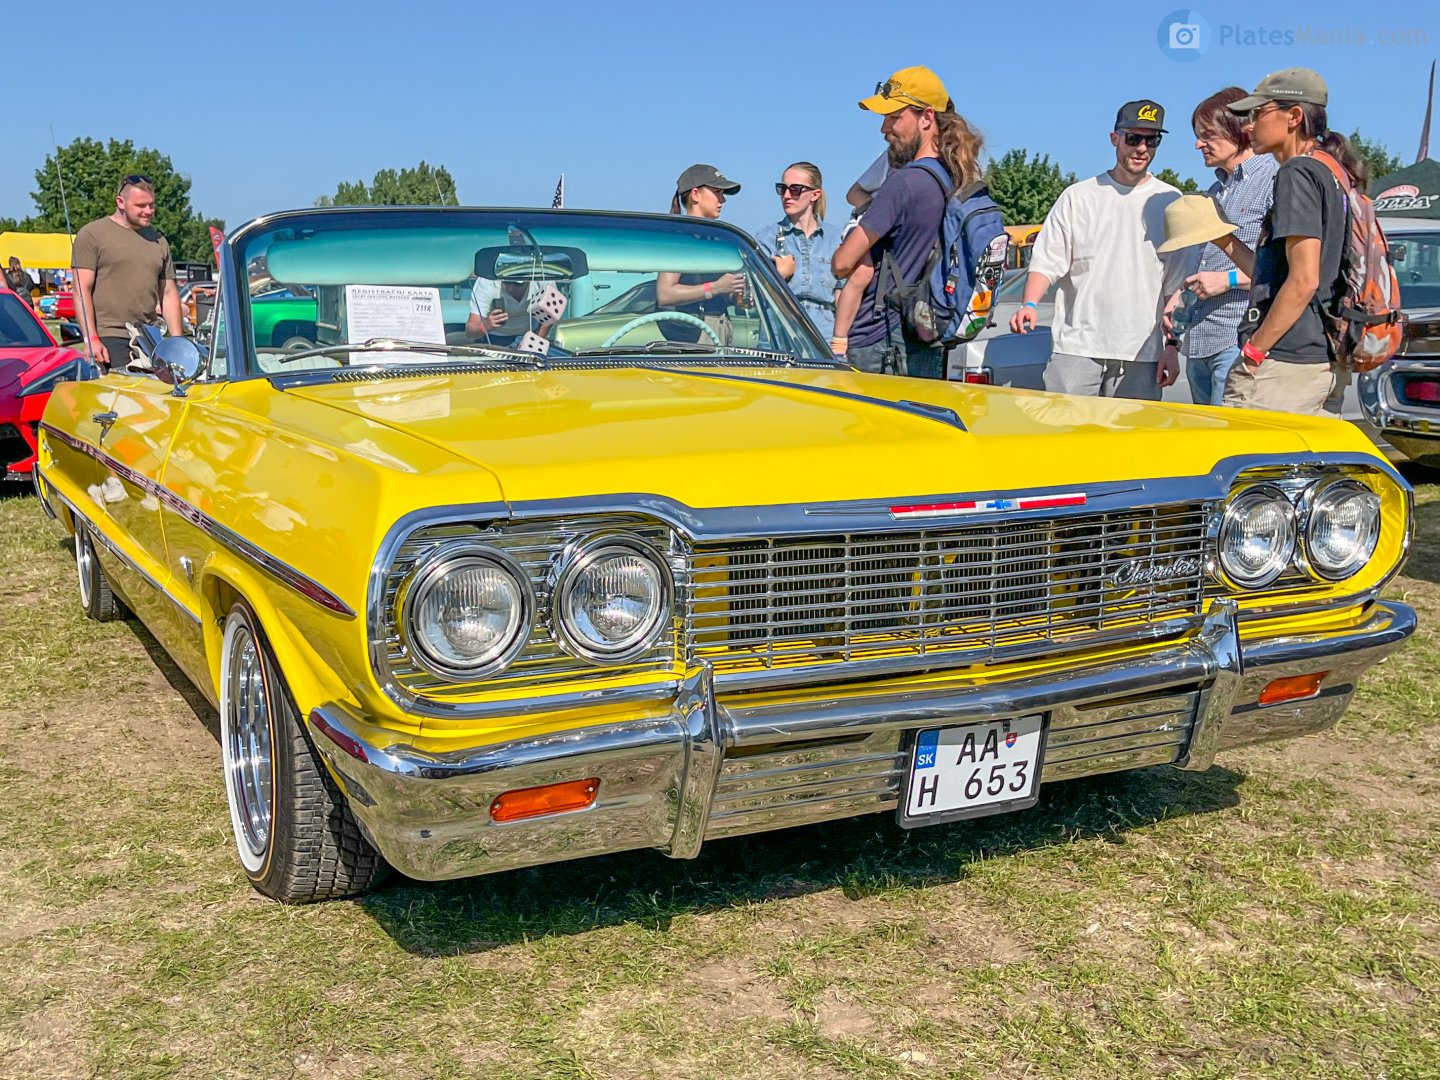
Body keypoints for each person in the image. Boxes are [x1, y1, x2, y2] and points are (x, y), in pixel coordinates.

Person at [1011, 100, 1186, 400]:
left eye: (1152, 139)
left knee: (1131, 445)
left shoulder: (1171, 201)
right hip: (1077, 349)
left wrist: (1172, 348)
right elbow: (1048, 261)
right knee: (1066, 440)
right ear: (1114, 138)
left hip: (1142, 353)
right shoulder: (1078, 197)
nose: (1142, 148)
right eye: (1133, 138)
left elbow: (1177, 283)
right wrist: (1029, 304)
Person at [1210, 69, 1354, 416]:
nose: (1249, 125)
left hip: (1287, 363)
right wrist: (1224, 240)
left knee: (1256, 467)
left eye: (1258, 113)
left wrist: (1254, 352)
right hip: (1325, 355)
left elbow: (1305, 279)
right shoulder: (1334, 171)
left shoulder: (1296, 173)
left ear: (1294, 117)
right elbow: (1279, 274)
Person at [832, 66, 982, 379]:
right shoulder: (952, 178)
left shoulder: (903, 183)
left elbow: (843, 264)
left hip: (880, 340)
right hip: (925, 335)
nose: (884, 129)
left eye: (894, 117)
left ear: (926, 118)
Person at [1167, 88, 1278, 405]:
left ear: (1239, 130)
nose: (1198, 144)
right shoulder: (1216, 190)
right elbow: (1208, 261)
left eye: (1207, 135)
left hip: (1239, 339)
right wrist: (1180, 298)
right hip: (1200, 340)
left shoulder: (1275, 179)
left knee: (1230, 446)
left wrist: (1227, 280)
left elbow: (1286, 270)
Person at [71, 174, 183, 371]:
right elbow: (81, 291)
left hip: (150, 338)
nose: (149, 211)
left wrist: (178, 344)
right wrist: (91, 338)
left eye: (151, 205)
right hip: (110, 338)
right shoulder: (92, 235)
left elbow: (169, 293)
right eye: (141, 206)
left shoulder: (159, 242)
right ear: (120, 202)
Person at [658, 164, 745, 345]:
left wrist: (735, 296)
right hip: (694, 332)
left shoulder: (713, 239)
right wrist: (717, 287)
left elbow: (717, 289)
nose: (723, 201)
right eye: (717, 192)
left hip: (718, 328)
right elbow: (665, 294)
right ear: (696, 194)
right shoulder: (679, 238)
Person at [755, 162, 841, 342]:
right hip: (779, 338)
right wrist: (780, 275)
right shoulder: (766, 238)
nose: (786, 195)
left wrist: (841, 341)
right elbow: (754, 297)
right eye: (782, 189)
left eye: (795, 189)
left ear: (815, 194)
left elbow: (843, 297)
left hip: (823, 339)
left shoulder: (835, 239)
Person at [467, 276, 555, 341]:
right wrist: (487, 325)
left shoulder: (542, 277)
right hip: (493, 339)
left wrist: (537, 340)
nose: (510, 288)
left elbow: (551, 312)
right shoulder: (488, 280)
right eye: (506, 282)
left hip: (530, 335)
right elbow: (470, 331)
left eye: (517, 283)